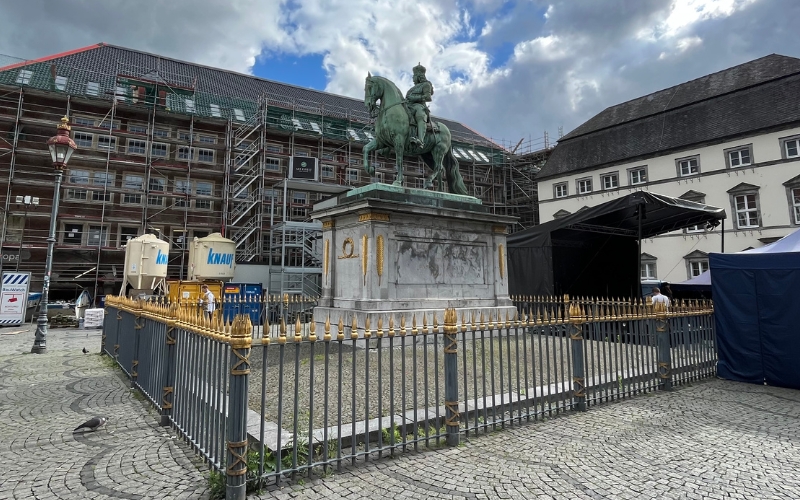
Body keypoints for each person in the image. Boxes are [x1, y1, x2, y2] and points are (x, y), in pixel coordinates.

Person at [405, 62, 434, 147]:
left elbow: (428, 97)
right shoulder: (413, 88)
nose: (413, 78)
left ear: (419, 76)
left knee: (420, 114)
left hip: (420, 106)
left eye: (414, 76)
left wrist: (413, 98)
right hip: (409, 105)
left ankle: (420, 140)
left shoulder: (426, 84)